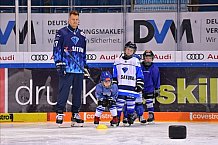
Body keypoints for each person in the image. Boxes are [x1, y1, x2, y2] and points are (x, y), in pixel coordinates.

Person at [53, 10, 87, 126]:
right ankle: (60, 113)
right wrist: (58, 63)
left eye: (77, 20)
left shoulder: (82, 35)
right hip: (66, 67)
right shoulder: (61, 32)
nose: (75, 21)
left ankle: (75, 113)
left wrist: (85, 65)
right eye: (73, 19)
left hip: (78, 69)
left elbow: (83, 52)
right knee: (64, 91)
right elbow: (57, 49)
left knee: (78, 92)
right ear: (69, 20)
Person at [113, 41, 144, 126]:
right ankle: (117, 119)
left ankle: (130, 118)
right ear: (125, 49)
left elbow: (139, 74)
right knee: (119, 105)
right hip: (121, 88)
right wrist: (115, 85)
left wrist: (139, 84)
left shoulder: (135, 61)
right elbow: (115, 74)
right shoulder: (117, 60)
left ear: (134, 52)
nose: (129, 51)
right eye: (128, 49)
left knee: (131, 105)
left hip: (131, 87)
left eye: (131, 50)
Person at [140, 50, 160, 123]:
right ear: (144, 58)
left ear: (152, 58)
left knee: (149, 102)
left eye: (150, 58)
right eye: (146, 58)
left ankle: (151, 115)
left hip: (150, 88)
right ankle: (141, 116)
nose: (148, 59)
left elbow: (156, 79)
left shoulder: (155, 68)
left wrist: (157, 88)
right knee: (139, 103)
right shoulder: (139, 66)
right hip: (140, 88)